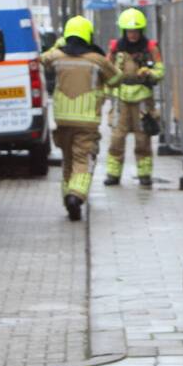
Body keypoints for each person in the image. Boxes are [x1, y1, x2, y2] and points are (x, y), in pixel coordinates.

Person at [40, 16, 121, 221]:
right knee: (82, 160)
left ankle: (68, 202)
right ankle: (75, 196)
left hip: (62, 120)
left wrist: (59, 45)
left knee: (68, 161)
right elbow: (116, 79)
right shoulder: (97, 60)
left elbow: (41, 59)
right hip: (87, 121)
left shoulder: (57, 57)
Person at [104, 8, 164, 187]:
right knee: (116, 139)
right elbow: (107, 69)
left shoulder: (150, 48)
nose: (132, 35)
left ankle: (144, 175)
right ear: (124, 31)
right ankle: (113, 175)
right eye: (129, 31)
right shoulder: (115, 48)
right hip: (121, 100)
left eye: (135, 31)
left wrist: (149, 73)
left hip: (143, 102)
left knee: (143, 139)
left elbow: (161, 71)